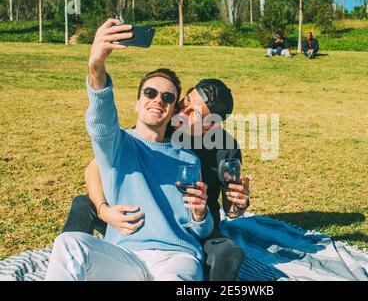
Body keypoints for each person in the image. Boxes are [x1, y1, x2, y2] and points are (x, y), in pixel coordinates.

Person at [45, 19, 214, 281]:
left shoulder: (188, 158)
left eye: (168, 97)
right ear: (137, 103)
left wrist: (201, 215)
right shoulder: (117, 145)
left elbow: (200, 230)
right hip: (124, 257)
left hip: (177, 257)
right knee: (69, 245)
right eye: (150, 92)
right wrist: (96, 67)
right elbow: (101, 121)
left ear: (172, 111)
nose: (158, 99)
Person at [62, 78, 251, 281]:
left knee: (229, 253)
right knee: (83, 203)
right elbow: (95, 167)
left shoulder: (225, 146)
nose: (182, 112)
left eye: (194, 114)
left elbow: (231, 209)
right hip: (137, 219)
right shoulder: (162, 124)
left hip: (195, 226)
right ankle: (70, 265)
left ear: (210, 124)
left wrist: (239, 204)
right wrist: (103, 209)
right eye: (186, 101)